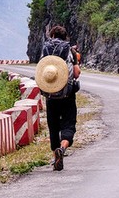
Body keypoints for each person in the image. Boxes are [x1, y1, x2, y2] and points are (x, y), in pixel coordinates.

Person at [37, 25, 81, 171]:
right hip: (67, 94)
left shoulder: (45, 49)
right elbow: (76, 74)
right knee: (68, 124)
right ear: (65, 36)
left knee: (53, 127)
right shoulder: (70, 50)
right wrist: (77, 62)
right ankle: (62, 148)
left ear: (52, 35)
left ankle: (55, 154)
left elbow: (41, 71)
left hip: (50, 95)